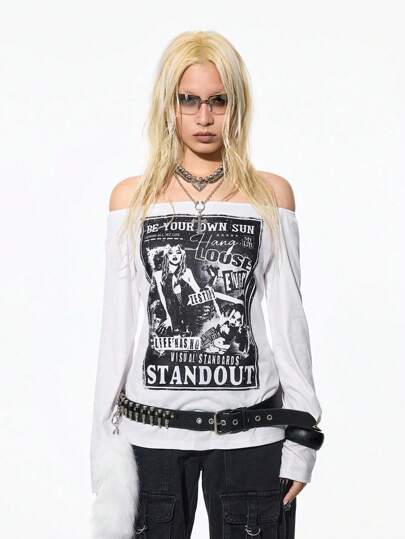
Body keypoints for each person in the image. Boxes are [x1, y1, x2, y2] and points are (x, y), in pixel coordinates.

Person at [90, 30, 323, 539]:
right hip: (151, 439)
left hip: (252, 437)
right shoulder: (131, 200)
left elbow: (290, 324)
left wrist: (303, 440)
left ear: (237, 106)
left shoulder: (270, 196)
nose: (203, 116)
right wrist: (102, 450)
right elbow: (116, 330)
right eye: (188, 100)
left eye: (218, 100)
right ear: (168, 106)